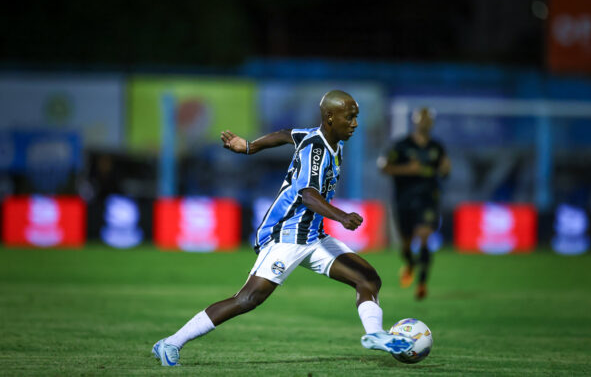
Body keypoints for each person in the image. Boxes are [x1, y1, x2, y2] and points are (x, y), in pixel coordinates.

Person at [152, 90, 413, 366]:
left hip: (312, 236)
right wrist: (342, 217)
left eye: (356, 117)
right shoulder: (318, 149)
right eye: (349, 118)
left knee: (368, 279)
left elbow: (288, 134)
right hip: (287, 234)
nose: (355, 124)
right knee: (247, 299)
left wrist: (251, 146)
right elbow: (308, 195)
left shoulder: (325, 137)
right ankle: (170, 343)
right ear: (330, 117)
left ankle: (374, 335)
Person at [378, 107, 450, 300]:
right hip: (404, 200)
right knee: (406, 245)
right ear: (415, 121)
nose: (425, 123)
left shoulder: (437, 147)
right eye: (422, 119)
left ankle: (422, 284)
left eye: (428, 119)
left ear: (432, 123)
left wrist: (445, 168)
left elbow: (445, 171)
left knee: (425, 235)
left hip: (428, 199)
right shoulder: (401, 145)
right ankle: (410, 263)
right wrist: (407, 169)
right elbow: (383, 166)